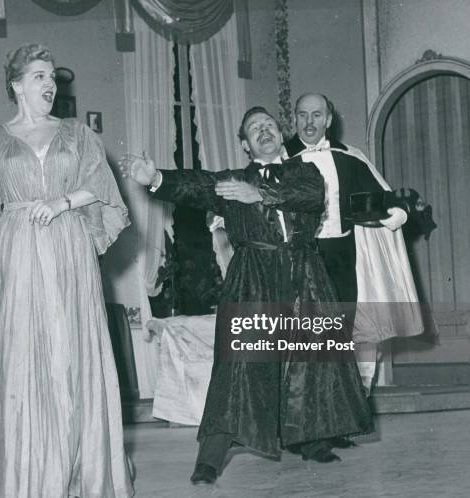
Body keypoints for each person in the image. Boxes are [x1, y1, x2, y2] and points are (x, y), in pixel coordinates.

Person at [120, 107, 373, 485]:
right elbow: (196, 184)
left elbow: (310, 196)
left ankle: (311, 440)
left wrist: (259, 193)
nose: (264, 131)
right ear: (244, 143)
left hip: (304, 272)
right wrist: (155, 178)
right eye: (255, 129)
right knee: (236, 364)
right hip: (253, 276)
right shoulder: (232, 180)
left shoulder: (305, 170)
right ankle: (210, 457)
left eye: (269, 125)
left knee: (312, 360)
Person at [0, 44, 134, 498]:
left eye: (52, 77)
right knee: (24, 358)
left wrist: (62, 202)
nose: (49, 84)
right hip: (17, 249)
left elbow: (100, 186)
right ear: (17, 85)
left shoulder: (78, 135)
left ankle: (78, 469)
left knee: (71, 351)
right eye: (39, 76)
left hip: (69, 247)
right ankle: (26, 472)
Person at [285, 93, 423, 390]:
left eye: (317, 115)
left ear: (329, 120)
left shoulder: (350, 155)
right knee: (305, 333)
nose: (309, 123)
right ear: (293, 117)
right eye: (303, 115)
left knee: (346, 330)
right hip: (300, 256)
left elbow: (382, 196)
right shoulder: (280, 159)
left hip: (344, 255)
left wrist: (398, 211)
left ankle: (348, 405)